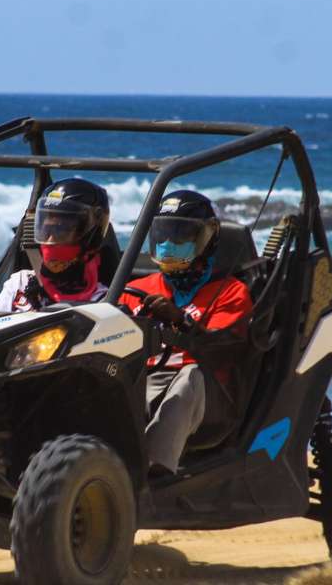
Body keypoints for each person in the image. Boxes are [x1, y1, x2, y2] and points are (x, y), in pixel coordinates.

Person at [120, 190, 252, 476]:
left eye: (181, 236)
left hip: (209, 396)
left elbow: (222, 350)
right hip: (146, 379)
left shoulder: (231, 292)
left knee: (190, 376)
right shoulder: (138, 289)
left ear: (206, 239)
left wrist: (180, 320)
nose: (169, 244)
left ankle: (155, 471)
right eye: (164, 235)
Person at [0, 178, 111, 312]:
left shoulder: (105, 300)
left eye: (61, 231)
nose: (50, 240)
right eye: (46, 231)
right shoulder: (20, 284)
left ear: (90, 238)